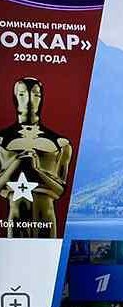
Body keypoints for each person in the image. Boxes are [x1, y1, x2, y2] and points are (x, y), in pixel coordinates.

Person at [0, 78, 72, 238]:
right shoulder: (1, 141)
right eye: (22, 94)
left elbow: (60, 190)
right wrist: (16, 163)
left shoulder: (60, 144)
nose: (29, 101)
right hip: (16, 218)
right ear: (15, 98)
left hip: (46, 218)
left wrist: (36, 170)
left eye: (35, 95)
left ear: (41, 98)